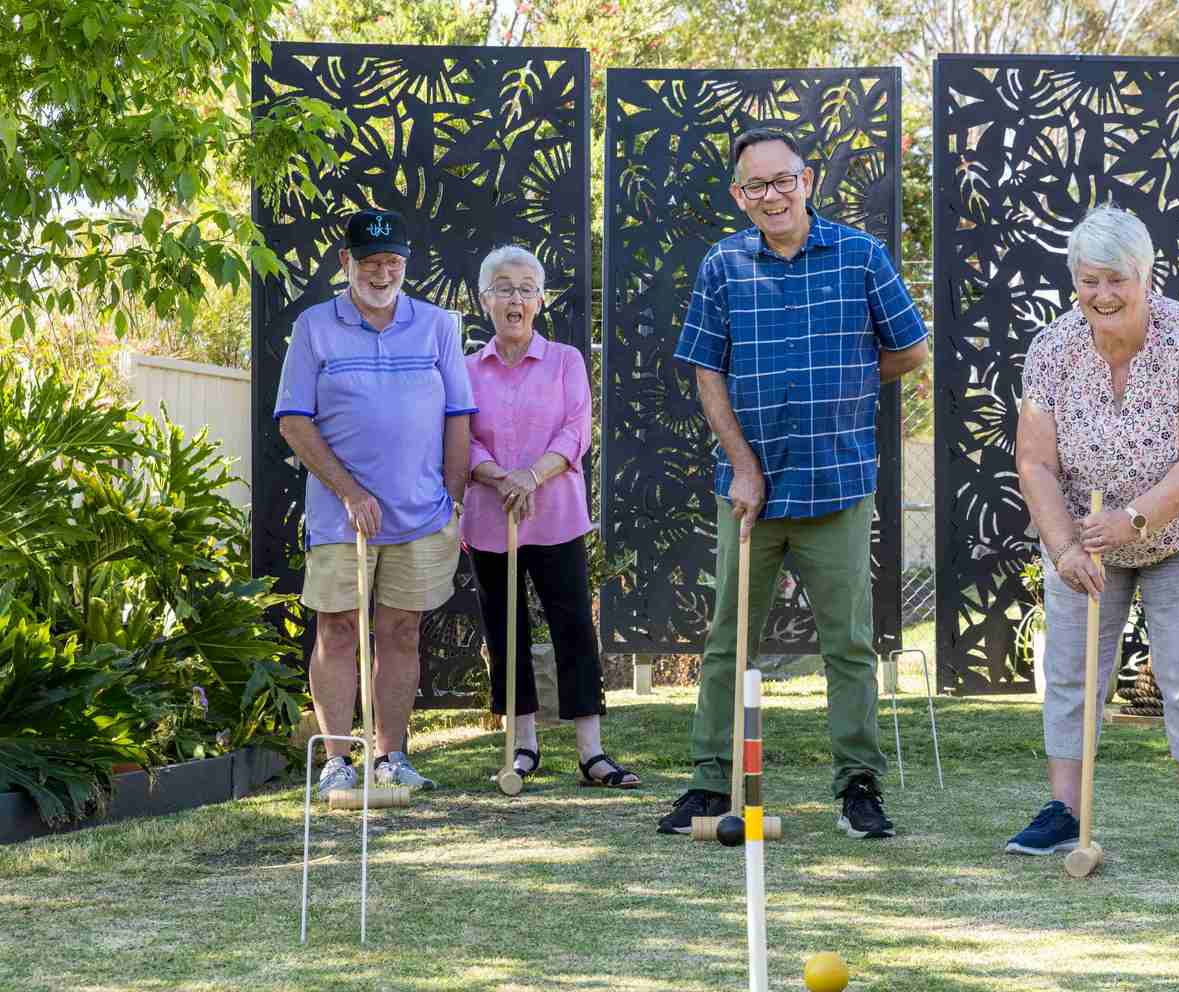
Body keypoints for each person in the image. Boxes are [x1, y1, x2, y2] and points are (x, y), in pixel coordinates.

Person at [656, 127, 929, 839]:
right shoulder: (722, 264)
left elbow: (910, 350)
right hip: (748, 492)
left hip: (836, 481)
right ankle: (709, 784)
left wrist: (848, 381)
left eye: (782, 181)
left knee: (847, 644)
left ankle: (857, 785)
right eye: (755, 186)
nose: (770, 195)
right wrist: (743, 466)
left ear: (805, 182)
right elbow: (705, 369)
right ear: (738, 196)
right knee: (726, 643)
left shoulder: (860, 256)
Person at [1011, 205, 1179, 865]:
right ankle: (1063, 811)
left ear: (1145, 276)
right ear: (1074, 282)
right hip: (1087, 543)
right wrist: (1064, 549)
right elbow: (1035, 462)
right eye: (1089, 280)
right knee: (1071, 671)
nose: (1103, 295)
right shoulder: (1052, 349)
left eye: (1117, 279)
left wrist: (1133, 518)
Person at [275, 208, 474, 795]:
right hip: (342, 515)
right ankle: (338, 761)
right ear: (346, 264)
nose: (382, 273)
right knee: (337, 628)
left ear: (404, 265)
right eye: (369, 262)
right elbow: (293, 421)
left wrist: (454, 500)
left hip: (422, 515)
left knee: (402, 631)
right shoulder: (315, 326)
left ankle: (392, 757)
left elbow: (459, 416)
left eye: (392, 262)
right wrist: (351, 492)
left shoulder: (438, 325)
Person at [462, 245, 639, 789]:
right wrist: (498, 476)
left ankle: (592, 752)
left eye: (525, 288)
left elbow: (576, 430)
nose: (515, 299)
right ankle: (523, 746)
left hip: (555, 514)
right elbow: (459, 440)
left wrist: (531, 476)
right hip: (492, 519)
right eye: (504, 288)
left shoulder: (566, 360)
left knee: (573, 627)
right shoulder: (467, 369)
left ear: (540, 300)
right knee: (505, 630)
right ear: (485, 300)